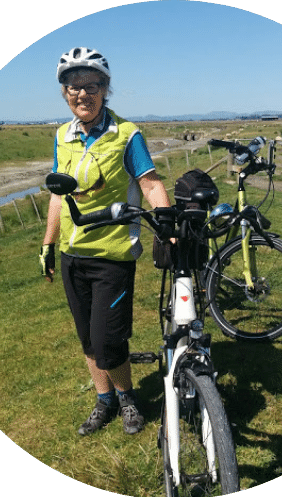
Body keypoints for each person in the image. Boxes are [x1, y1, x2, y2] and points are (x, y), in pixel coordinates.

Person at [39, 47, 172, 436]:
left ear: (105, 89)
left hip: (112, 256)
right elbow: (56, 194)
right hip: (71, 254)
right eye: (73, 86)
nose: (82, 93)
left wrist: (167, 223)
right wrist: (48, 244)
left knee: (107, 338)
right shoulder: (62, 136)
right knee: (87, 338)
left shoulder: (127, 134)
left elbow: (149, 182)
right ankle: (104, 400)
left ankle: (128, 397)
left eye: (91, 85)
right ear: (64, 92)